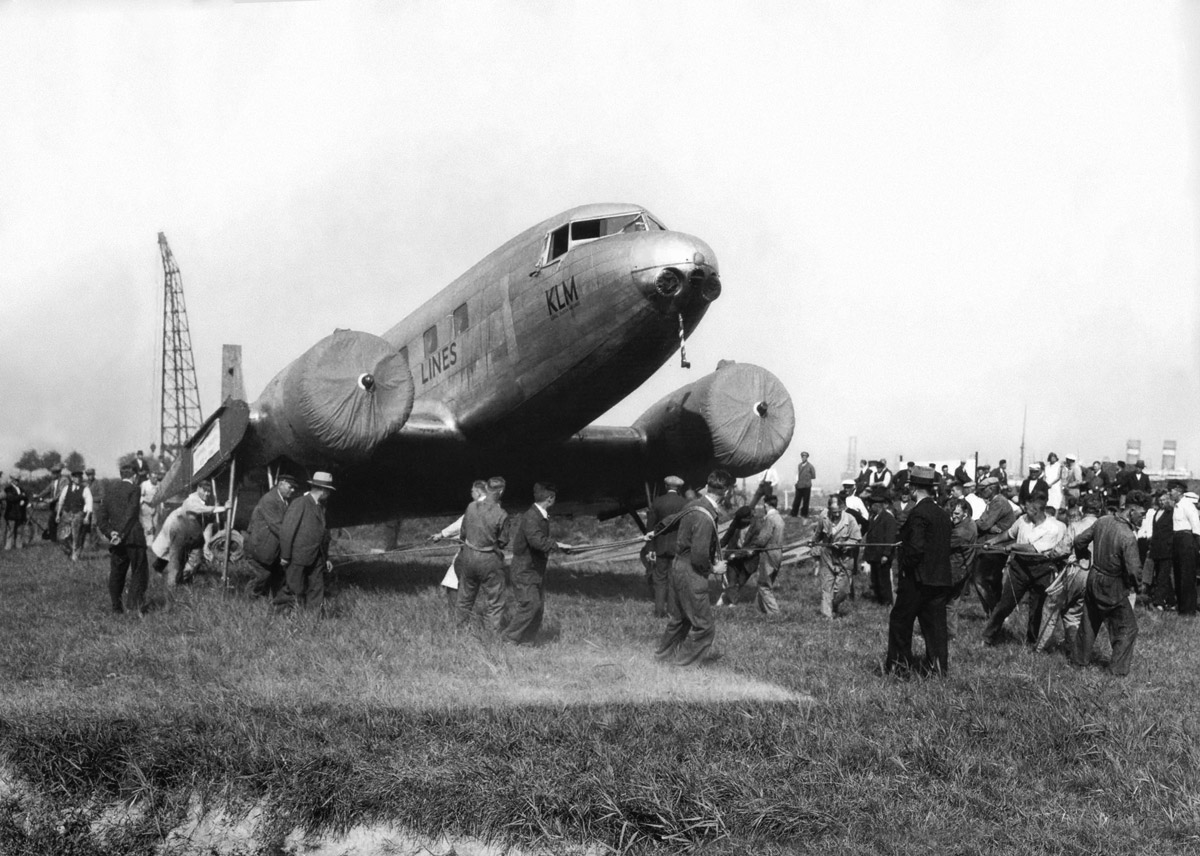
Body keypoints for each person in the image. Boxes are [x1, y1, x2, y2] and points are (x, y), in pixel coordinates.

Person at [656, 469, 734, 666]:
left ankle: (661, 659)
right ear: (726, 491)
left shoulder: (693, 505)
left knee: (680, 620)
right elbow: (699, 556)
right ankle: (683, 667)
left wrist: (653, 532)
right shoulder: (705, 516)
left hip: (677, 567)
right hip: (692, 571)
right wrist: (714, 569)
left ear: (708, 486)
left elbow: (670, 521)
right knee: (704, 627)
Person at [885, 465, 954, 676]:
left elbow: (915, 549)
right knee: (936, 629)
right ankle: (939, 671)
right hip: (940, 580)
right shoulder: (942, 514)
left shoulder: (917, 514)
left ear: (913, 489)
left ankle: (899, 668)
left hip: (917, 581)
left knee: (900, 622)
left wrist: (904, 563)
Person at [1071, 490, 1146, 676]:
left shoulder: (1102, 521)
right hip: (1112, 584)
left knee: (1089, 620)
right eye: (1141, 515)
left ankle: (1079, 661)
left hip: (1093, 576)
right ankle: (1117, 672)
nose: (1143, 519)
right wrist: (1139, 587)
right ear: (1131, 511)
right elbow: (1134, 569)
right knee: (1128, 628)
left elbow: (1079, 541)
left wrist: (1083, 556)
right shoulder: (1127, 536)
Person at [981, 492, 1068, 646]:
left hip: (1041, 569)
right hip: (1019, 568)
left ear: (1037, 511)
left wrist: (1013, 546)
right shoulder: (1022, 520)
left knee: (1036, 608)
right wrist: (994, 541)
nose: (1024, 511)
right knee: (1005, 604)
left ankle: (1032, 641)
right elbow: (1009, 533)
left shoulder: (1055, 527)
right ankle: (988, 637)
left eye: (1027, 509)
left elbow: (1034, 549)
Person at [505, 482, 572, 645]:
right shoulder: (532, 516)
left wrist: (557, 546)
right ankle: (509, 639)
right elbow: (536, 541)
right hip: (524, 570)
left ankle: (527, 643)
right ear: (550, 499)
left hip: (534, 570)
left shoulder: (539, 515)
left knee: (538, 608)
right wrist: (558, 545)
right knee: (530, 604)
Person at [1034, 495, 1099, 654]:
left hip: (1075, 571)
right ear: (1100, 510)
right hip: (1094, 574)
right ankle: (1074, 649)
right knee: (1074, 613)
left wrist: (1051, 554)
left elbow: (1062, 549)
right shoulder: (1103, 526)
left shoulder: (1076, 526)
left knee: (1051, 607)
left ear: (1082, 510)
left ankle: (1039, 648)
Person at [150, 483, 226, 601]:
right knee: (174, 558)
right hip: (177, 527)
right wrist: (219, 508)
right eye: (204, 490)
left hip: (192, 532)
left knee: (193, 560)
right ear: (198, 489)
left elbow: (208, 527)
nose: (207, 494)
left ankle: (181, 579)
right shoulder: (191, 499)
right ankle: (170, 591)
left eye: (209, 491)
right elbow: (199, 509)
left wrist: (206, 545)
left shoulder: (207, 502)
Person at [273, 472, 335, 613]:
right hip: (298, 556)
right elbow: (287, 530)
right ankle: (278, 614)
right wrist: (285, 556)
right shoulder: (300, 503)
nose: (329, 494)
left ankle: (313, 619)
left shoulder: (321, 507)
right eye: (329, 491)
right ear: (323, 490)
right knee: (293, 588)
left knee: (317, 588)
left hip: (317, 557)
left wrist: (326, 558)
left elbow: (323, 535)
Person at [456, 476, 510, 632]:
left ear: (487, 489)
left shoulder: (471, 506)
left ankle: (459, 632)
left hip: (468, 555)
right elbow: (503, 541)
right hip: (488, 559)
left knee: (465, 597)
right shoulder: (502, 514)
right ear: (501, 491)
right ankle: (491, 636)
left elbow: (463, 532)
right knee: (496, 600)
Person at [96, 463, 148, 615]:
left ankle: (116, 608)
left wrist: (111, 533)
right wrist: (122, 534)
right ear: (134, 476)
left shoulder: (109, 491)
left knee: (117, 572)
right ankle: (133, 607)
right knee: (139, 570)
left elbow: (101, 519)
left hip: (116, 540)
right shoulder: (135, 489)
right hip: (133, 538)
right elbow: (131, 513)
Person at [430, 480, 488, 609]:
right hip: (484, 555)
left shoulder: (476, 506)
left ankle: (458, 621)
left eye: (472, 491)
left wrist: (442, 534)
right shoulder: (495, 506)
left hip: (468, 553)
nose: (471, 493)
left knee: (455, 583)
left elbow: (461, 523)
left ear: (478, 491)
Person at [245, 474, 298, 598]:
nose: (293, 490)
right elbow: (277, 526)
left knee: (276, 575)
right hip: (260, 547)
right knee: (262, 575)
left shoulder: (283, 500)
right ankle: (249, 599)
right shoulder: (269, 500)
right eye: (291, 487)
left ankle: (270, 600)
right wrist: (295, 540)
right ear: (281, 484)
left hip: (271, 548)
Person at [810, 493, 862, 618]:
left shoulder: (850, 520)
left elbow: (857, 540)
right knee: (826, 587)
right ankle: (827, 617)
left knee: (842, 591)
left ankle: (834, 605)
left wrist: (845, 544)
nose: (836, 514)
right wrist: (813, 543)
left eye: (839, 511)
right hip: (827, 555)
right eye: (833, 512)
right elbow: (818, 533)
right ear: (829, 510)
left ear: (842, 508)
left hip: (845, 557)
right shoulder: (824, 516)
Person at [972, 476, 1020, 615]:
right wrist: (987, 526)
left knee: (980, 580)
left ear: (991, 488)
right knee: (994, 582)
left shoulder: (998, 502)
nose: (980, 492)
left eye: (983, 489)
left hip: (995, 548)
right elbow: (986, 524)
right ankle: (996, 613)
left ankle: (995, 613)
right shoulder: (994, 501)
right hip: (994, 547)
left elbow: (984, 523)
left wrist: (979, 524)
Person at [644, 476, 688, 617]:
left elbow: (650, 528)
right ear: (679, 488)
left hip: (660, 547)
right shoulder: (685, 504)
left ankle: (658, 612)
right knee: (673, 580)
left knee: (660, 580)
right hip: (678, 548)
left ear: (665, 486)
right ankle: (672, 612)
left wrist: (650, 548)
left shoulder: (657, 502)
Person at [945, 498, 978, 639]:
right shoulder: (971, 523)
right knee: (953, 604)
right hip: (965, 569)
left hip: (954, 570)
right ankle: (951, 634)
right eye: (952, 513)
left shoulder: (960, 532)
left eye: (957, 514)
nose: (953, 517)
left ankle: (945, 633)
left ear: (965, 512)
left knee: (945, 603)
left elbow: (941, 545)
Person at [1167, 479, 1199, 616]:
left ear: (1179, 491)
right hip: (1177, 540)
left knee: (1187, 575)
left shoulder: (1187, 505)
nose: (1169, 493)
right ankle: (1182, 608)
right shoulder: (1176, 506)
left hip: (1187, 541)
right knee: (1179, 574)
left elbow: (1196, 526)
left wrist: (1196, 545)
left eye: (1171, 491)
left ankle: (1189, 610)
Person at [862, 486, 898, 605]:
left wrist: (886, 554)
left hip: (882, 555)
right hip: (873, 555)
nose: (870, 507)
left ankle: (886, 601)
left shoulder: (888, 518)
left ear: (878, 505)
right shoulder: (873, 518)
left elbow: (890, 538)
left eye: (872, 505)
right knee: (875, 579)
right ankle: (879, 599)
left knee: (884, 580)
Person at [55, 469, 93, 561]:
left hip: (78, 514)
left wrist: (87, 516)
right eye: (76, 477)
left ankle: (75, 555)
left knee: (77, 535)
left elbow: (89, 503)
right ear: (72, 478)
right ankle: (69, 551)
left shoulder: (85, 489)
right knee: (62, 536)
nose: (78, 479)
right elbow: (61, 501)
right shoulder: (66, 488)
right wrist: (58, 514)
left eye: (80, 477)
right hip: (66, 513)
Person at [41, 464, 68, 542]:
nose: (52, 475)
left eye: (53, 473)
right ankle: (54, 540)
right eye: (52, 473)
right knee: (52, 522)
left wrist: (52, 499)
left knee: (57, 522)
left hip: (62, 505)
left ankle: (60, 540)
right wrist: (38, 495)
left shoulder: (64, 480)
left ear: (58, 473)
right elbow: (47, 490)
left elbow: (61, 492)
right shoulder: (53, 481)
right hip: (54, 505)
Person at [3, 478, 31, 550]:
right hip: (11, 513)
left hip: (20, 513)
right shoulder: (8, 489)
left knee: (19, 531)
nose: (16, 481)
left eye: (17, 480)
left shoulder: (21, 489)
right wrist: (22, 496)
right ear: (12, 480)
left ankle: (19, 546)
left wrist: (24, 502)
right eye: (15, 480)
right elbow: (11, 498)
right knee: (10, 531)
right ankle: (8, 547)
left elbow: (26, 499)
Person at [139, 470, 163, 540]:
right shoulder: (144, 484)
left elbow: (161, 497)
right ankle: (148, 543)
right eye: (153, 477)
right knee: (148, 527)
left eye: (156, 477)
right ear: (149, 477)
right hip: (146, 506)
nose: (155, 479)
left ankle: (152, 541)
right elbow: (141, 495)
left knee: (155, 525)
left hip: (155, 506)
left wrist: (161, 507)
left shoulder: (159, 484)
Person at [791, 452, 816, 517]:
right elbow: (797, 475)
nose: (803, 458)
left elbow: (813, 476)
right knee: (797, 500)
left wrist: (807, 479)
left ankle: (804, 514)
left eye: (805, 457)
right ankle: (794, 513)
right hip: (799, 486)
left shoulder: (810, 466)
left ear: (807, 458)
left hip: (806, 486)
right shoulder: (799, 465)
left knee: (806, 501)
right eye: (802, 457)